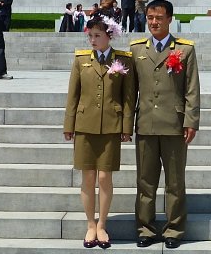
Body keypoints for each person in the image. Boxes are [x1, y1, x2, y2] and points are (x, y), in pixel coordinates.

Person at [130, 0, 200, 249]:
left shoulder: (184, 50)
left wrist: (191, 121)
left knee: (174, 181)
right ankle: (145, 229)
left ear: (170, 19)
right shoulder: (137, 49)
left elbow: (192, 89)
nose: (154, 22)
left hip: (174, 124)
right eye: (150, 18)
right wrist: (128, 125)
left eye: (159, 18)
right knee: (145, 181)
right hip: (146, 124)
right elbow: (131, 91)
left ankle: (174, 229)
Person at [63, 15, 136, 249]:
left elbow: (128, 97)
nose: (92, 40)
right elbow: (73, 95)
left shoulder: (123, 60)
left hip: (111, 126)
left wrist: (127, 127)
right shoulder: (80, 60)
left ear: (109, 35)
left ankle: (102, 224)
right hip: (84, 126)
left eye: (97, 35)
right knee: (88, 177)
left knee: (104, 177)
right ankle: (90, 224)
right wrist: (69, 125)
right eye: (90, 35)